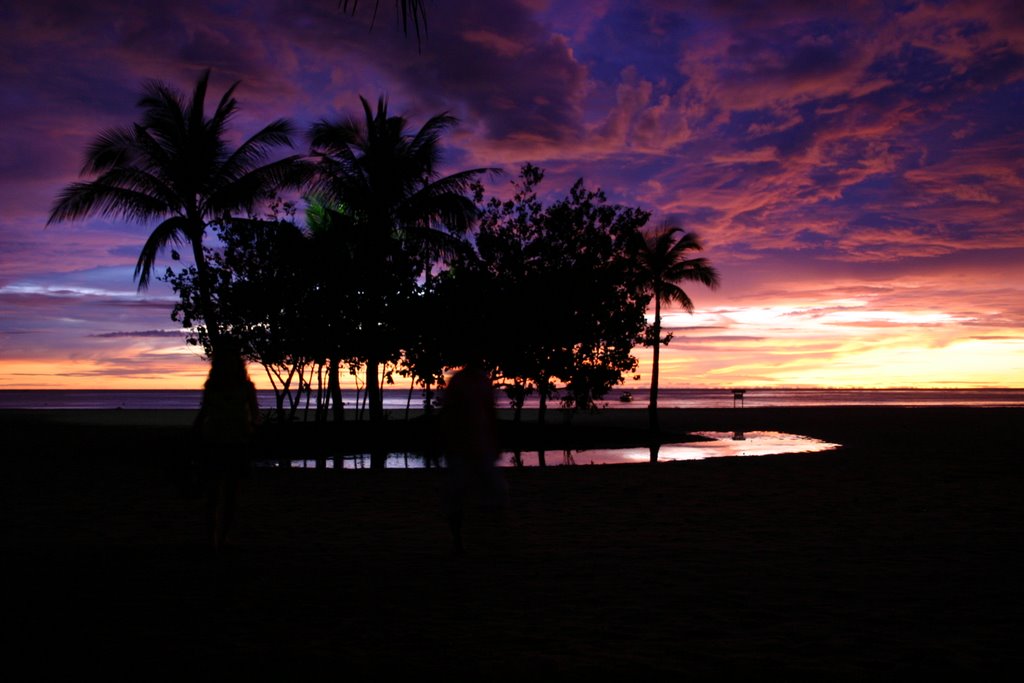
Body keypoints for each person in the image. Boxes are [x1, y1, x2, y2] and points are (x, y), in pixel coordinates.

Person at [195, 346, 260, 550]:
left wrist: (251, 430)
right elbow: (204, 412)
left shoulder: (246, 388)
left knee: (230, 493)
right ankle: (213, 538)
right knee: (214, 493)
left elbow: (255, 414)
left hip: (236, 442)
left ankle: (222, 537)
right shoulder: (213, 387)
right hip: (215, 441)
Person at [440, 364, 508, 555]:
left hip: (478, 446)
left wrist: (494, 440)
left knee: (493, 491)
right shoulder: (461, 382)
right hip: (463, 447)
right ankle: (461, 540)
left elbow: (489, 411)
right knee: (458, 495)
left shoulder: (479, 381)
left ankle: (481, 536)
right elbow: (450, 413)